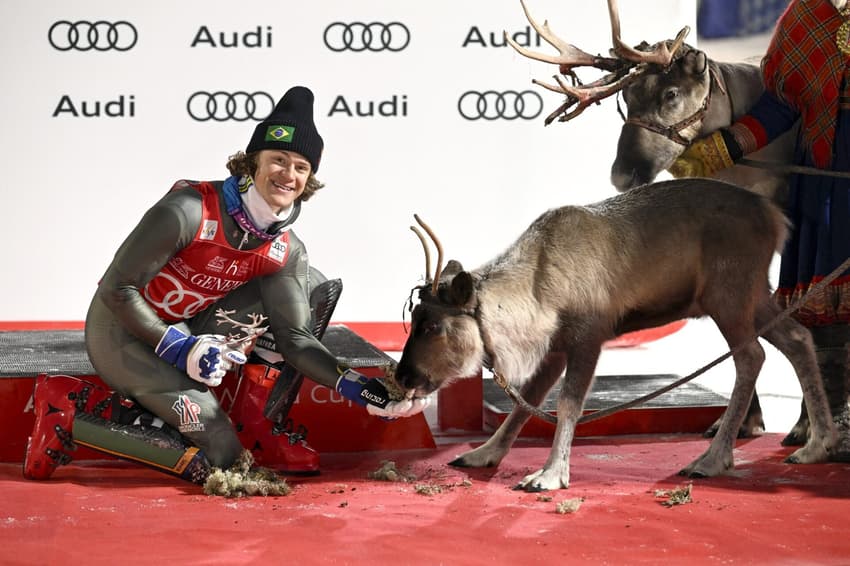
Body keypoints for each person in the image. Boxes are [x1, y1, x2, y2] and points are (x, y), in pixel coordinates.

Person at [23, 86, 430, 483]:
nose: (288, 174)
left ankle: (250, 420)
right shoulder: (188, 211)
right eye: (278, 159)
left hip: (188, 328)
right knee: (222, 457)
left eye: (301, 167)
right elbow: (116, 289)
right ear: (252, 163)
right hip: (123, 332)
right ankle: (71, 411)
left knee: (310, 284)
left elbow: (295, 340)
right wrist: (178, 347)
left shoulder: (284, 247)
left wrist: (366, 391)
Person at [669, 0, 850, 460]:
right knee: (824, 307)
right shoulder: (806, 16)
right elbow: (779, 107)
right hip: (824, 181)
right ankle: (826, 416)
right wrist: (712, 154)